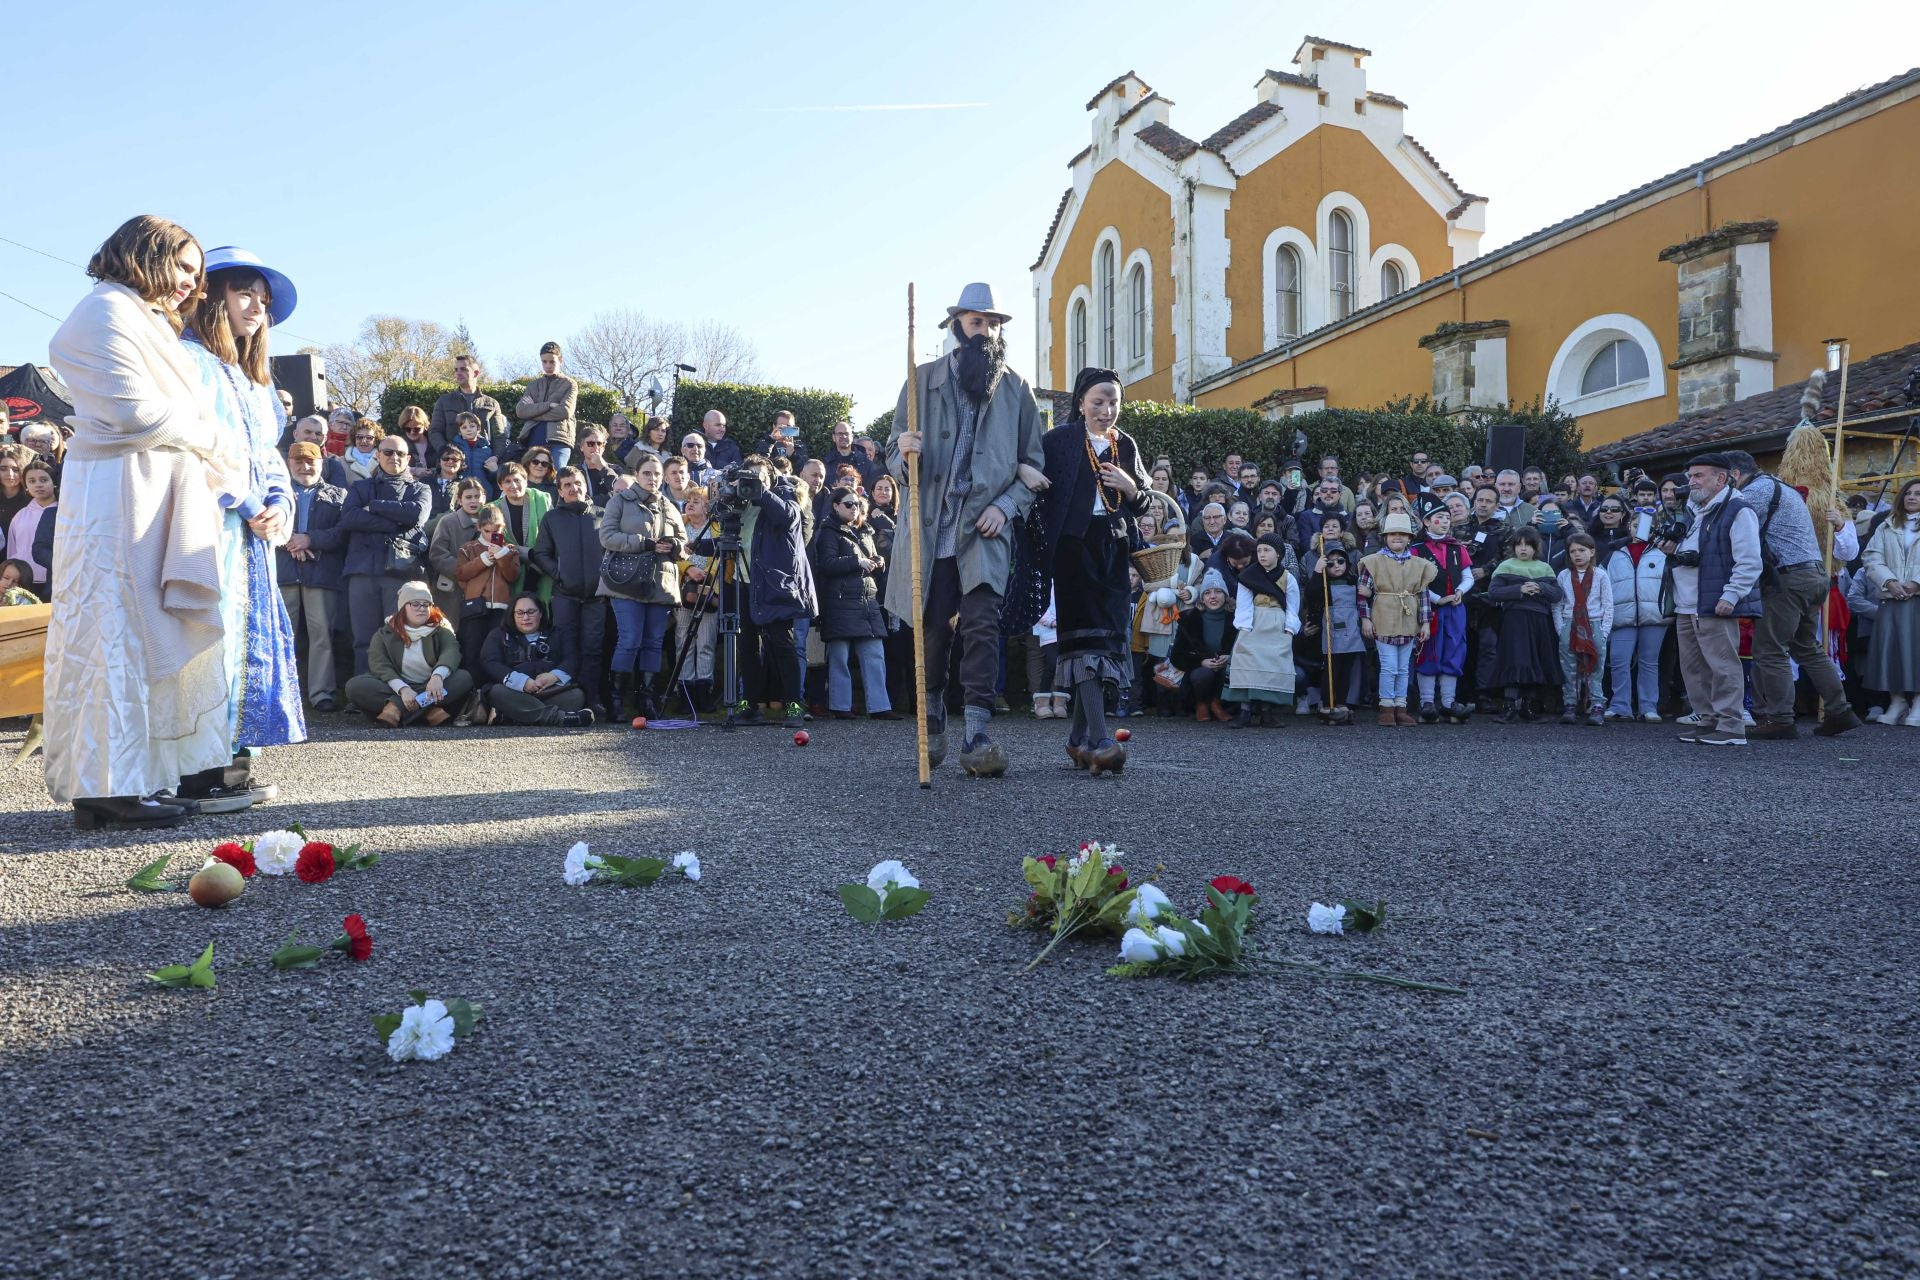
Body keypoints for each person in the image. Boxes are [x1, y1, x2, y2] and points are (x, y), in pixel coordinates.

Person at [43, 215, 232, 829]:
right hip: (115, 501)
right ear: (144, 252)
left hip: (150, 496)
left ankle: (138, 777)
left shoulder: (144, 319)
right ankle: (105, 784)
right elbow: (136, 413)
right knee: (111, 636)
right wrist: (209, 436)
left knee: (142, 636)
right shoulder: (103, 313)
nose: (190, 285)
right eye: (182, 267)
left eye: (196, 275)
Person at [887, 282, 1045, 776]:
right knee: (931, 633)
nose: (986, 331)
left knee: (982, 628)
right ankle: (932, 720)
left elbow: (1032, 465)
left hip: (984, 531)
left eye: (993, 323)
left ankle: (977, 736)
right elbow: (893, 457)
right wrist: (903, 450)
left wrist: (1007, 504)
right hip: (932, 530)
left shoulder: (1018, 388)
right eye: (978, 322)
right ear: (958, 326)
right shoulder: (921, 381)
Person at [179, 246, 309, 809]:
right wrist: (249, 499)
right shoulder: (188, 361)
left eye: (262, 297)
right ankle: (197, 767)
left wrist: (280, 499)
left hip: (254, 536)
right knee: (210, 636)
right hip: (210, 523)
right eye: (244, 292)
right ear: (214, 296)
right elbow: (195, 447)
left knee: (249, 640)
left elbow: (269, 455)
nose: (256, 305)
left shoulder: (258, 385)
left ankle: (236, 760)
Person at [1036, 367, 1149, 774]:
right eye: (1098, 402)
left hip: (1113, 548)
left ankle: (1078, 738)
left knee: (1108, 640)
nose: (1106, 410)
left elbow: (1145, 500)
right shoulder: (1059, 441)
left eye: (1113, 402)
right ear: (1080, 402)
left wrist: (1130, 487)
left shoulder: (1126, 444)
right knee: (1085, 641)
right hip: (1072, 549)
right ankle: (1100, 738)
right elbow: (1035, 480)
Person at [1723, 448, 1862, 738]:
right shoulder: (1780, 488)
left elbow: (1732, 531)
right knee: (1807, 648)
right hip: (1813, 576)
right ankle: (1840, 711)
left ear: (1735, 474)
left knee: (1770, 650)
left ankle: (1781, 720)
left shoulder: (1755, 492)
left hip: (1788, 578)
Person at [695, 454, 814, 726]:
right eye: (750, 476)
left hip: (773, 583)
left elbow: (787, 519)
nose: (755, 482)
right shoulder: (740, 500)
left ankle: (794, 704)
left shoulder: (785, 494)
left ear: (770, 477)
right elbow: (729, 533)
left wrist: (761, 491)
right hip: (742, 579)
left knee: (781, 644)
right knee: (746, 645)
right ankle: (749, 704)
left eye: (760, 477)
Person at [1665, 453, 1761, 746]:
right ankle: (1708, 720)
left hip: (1713, 602)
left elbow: (1750, 561)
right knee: (1693, 668)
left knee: (1722, 665)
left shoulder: (1738, 510)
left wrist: (1731, 595)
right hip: (1687, 603)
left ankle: (1731, 726)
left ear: (1721, 478)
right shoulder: (1696, 511)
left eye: (1698, 476)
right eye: (1691, 475)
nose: (1691, 481)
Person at [598, 452, 687, 720]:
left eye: (657, 474)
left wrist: (675, 545)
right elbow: (607, 537)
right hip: (626, 582)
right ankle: (616, 702)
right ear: (637, 474)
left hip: (660, 581)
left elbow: (683, 543)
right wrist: (644, 543)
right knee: (629, 640)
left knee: (653, 643)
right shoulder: (620, 501)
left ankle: (646, 701)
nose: (652, 478)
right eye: (647, 473)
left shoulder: (670, 506)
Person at [340, 433, 432, 676]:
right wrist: (395, 522)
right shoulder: (360, 487)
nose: (394, 457)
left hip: (400, 573)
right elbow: (349, 518)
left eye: (400, 453)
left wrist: (375, 507)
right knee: (363, 637)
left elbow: (417, 516)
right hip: (362, 571)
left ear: (408, 458)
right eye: (388, 452)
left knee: (398, 635)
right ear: (378, 455)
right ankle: (363, 691)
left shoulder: (421, 489)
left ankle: (399, 693)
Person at [531, 466, 612, 718]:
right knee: (565, 648)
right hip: (565, 595)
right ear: (560, 491)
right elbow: (540, 554)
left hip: (596, 597)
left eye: (577, 483)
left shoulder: (602, 514)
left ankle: (592, 699)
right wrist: (560, 574)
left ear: (585, 486)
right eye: (567, 485)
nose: (573, 488)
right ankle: (567, 700)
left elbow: (613, 551)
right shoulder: (551, 519)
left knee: (593, 649)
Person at [813, 485, 898, 720]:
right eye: (848, 504)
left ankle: (880, 707)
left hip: (867, 601)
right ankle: (840, 706)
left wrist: (877, 562)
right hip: (840, 601)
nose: (854, 508)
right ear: (835, 506)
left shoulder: (865, 531)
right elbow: (826, 565)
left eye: (857, 504)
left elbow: (866, 564)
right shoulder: (828, 532)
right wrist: (857, 561)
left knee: (875, 655)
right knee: (840, 658)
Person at [344, 582, 474, 726]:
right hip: (397, 687)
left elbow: (451, 652)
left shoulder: (441, 629)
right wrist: (403, 690)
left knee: (464, 678)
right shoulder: (384, 634)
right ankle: (428, 711)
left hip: (430, 687)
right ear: (403, 608)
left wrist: (437, 676)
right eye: (415, 604)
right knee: (354, 686)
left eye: (426, 604)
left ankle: (395, 709)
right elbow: (379, 665)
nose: (422, 609)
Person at [1357, 513, 1435, 726]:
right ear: (1385, 537)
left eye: (1402, 534)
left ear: (1409, 538)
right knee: (1389, 665)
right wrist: (1366, 619)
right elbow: (1362, 594)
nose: (1397, 538)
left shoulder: (1419, 565)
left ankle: (1401, 706)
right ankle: (1386, 706)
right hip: (1383, 617)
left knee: (1403, 667)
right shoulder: (1373, 562)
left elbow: (1423, 595)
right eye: (1392, 534)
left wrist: (1425, 622)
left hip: (1408, 619)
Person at [1219, 532, 1301, 728]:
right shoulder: (1248, 576)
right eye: (1259, 550)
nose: (1262, 554)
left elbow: (1293, 604)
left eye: (1267, 550)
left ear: (1278, 554)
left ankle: (1267, 712)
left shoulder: (1287, 578)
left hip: (1276, 623)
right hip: (1254, 623)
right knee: (1247, 662)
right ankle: (1245, 711)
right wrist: (1244, 627)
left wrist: (1289, 628)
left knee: (1272, 666)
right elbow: (1244, 604)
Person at [477, 593, 596, 727]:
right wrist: (521, 682)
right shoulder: (498, 635)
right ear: (512, 615)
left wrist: (554, 676)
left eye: (531, 612)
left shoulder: (558, 634)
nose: (526, 617)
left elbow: (572, 659)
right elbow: (490, 663)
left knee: (576, 696)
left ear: (540, 613)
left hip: (549, 692)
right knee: (496, 692)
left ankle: (511, 717)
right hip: (513, 693)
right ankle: (559, 718)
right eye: (520, 613)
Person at [1602, 496, 1670, 722]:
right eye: (1635, 524)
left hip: (1654, 615)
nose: (1640, 529)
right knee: (1619, 660)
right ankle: (1620, 705)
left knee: (1649, 662)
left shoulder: (1663, 553)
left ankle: (1648, 707)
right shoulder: (1614, 552)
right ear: (1628, 525)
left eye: (1648, 526)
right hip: (1622, 614)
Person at [1860, 478, 1920, 725]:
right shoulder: (1885, 525)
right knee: (1891, 650)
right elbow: (1872, 557)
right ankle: (1897, 702)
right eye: (1908, 493)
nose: (1912, 497)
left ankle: (1918, 702)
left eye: (1918, 493)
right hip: (1891, 597)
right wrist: (1889, 582)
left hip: (1917, 598)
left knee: (1917, 651)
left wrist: (1916, 582)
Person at [1488, 526, 1563, 722]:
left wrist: (1540, 587)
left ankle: (1529, 706)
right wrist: (1519, 589)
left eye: (1528, 545)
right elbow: (1494, 592)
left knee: (1535, 660)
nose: (1523, 549)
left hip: (1539, 621)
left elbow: (1557, 594)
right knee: (1514, 660)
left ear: (1535, 547)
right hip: (1514, 620)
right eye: (1519, 545)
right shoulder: (1506, 566)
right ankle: (1509, 705)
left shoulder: (1544, 568)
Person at [1410, 503, 1473, 723]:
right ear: (1426, 521)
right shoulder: (1417, 549)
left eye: (1447, 517)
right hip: (1430, 610)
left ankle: (1448, 702)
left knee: (1454, 650)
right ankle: (1427, 702)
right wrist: (1437, 599)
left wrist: (1459, 592)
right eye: (1439, 517)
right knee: (1428, 650)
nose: (1445, 521)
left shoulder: (1457, 548)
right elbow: (1415, 582)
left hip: (1455, 609)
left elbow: (1468, 577)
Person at [1553, 533, 1612, 726]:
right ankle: (1570, 703)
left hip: (1593, 623)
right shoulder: (1563, 575)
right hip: (1570, 623)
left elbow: (1608, 605)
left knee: (1595, 667)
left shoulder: (1601, 574)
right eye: (1572, 551)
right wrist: (1560, 629)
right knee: (1569, 666)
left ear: (1592, 551)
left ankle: (1597, 705)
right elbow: (1558, 605)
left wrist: (1603, 632)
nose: (1577, 555)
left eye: (1581, 550)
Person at [1301, 544, 1362, 720]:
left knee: (1346, 668)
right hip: (1331, 629)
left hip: (1351, 629)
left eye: (1341, 561)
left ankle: (1342, 701)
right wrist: (1318, 572)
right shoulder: (1323, 583)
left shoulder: (1353, 581)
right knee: (1331, 668)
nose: (1337, 565)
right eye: (1331, 563)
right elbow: (1311, 594)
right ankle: (1327, 702)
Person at [455, 502, 520, 667]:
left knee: (495, 651)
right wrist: (483, 560)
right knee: (472, 650)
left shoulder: (510, 549)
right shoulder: (468, 548)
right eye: (487, 531)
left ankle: (493, 689)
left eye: (496, 531)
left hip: (500, 608)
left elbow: (512, 576)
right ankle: (472, 689)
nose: (492, 535)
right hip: (474, 608)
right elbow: (461, 575)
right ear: (479, 527)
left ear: (503, 529)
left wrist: (502, 556)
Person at [1171, 569, 1237, 721]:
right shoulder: (1189, 619)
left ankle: (1217, 703)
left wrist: (1230, 657)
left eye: (1218, 592)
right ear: (1202, 598)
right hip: (1199, 672)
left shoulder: (1237, 619)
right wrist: (1201, 661)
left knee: (1230, 671)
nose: (1213, 596)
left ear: (1225, 595)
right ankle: (1201, 704)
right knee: (1203, 674)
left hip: (1227, 669)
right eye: (1207, 593)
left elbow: (1248, 648)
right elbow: (1177, 656)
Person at [513, 341, 577, 470]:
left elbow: (564, 412)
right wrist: (549, 405)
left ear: (560, 360)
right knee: (532, 482)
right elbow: (521, 411)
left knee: (558, 478)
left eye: (552, 361)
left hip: (559, 440)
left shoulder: (570, 384)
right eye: (544, 361)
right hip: (533, 439)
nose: (548, 365)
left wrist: (533, 413)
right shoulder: (533, 385)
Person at [429, 353, 508, 455]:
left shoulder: (492, 404)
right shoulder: (444, 401)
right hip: (453, 463)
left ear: (476, 373)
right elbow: (435, 432)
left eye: (463, 369)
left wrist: (496, 457)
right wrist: (446, 453)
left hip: (484, 462)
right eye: (456, 370)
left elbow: (499, 436)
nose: (458, 373)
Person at [492, 461, 550, 598]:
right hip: (509, 571)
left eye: (517, 480)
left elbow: (552, 536)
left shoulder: (542, 499)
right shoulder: (492, 510)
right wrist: (527, 553)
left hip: (543, 570)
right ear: (500, 485)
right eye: (507, 481)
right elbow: (495, 546)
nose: (513, 485)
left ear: (526, 481)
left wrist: (538, 557)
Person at [6, 459, 57, 598]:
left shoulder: (64, 513)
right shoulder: (20, 515)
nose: (38, 485)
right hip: (25, 581)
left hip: (54, 579)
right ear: (26, 486)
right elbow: (12, 550)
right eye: (32, 481)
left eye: (43, 479)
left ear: (54, 482)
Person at [576, 425, 621, 505]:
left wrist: (603, 468)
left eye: (599, 444)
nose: (596, 447)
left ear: (603, 448)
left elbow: (621, 492)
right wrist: (608, 497)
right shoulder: (576, 471)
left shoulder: (616, 469)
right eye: (591, 443)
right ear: (581, 447)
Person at [397, 405, 434, 480]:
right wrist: (414, 470)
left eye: (417, 429)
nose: (412, 432)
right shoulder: (398, 445)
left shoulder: (434, 441)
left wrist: (433, 471)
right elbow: (392, 467)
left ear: (425, 426)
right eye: (407, 429)